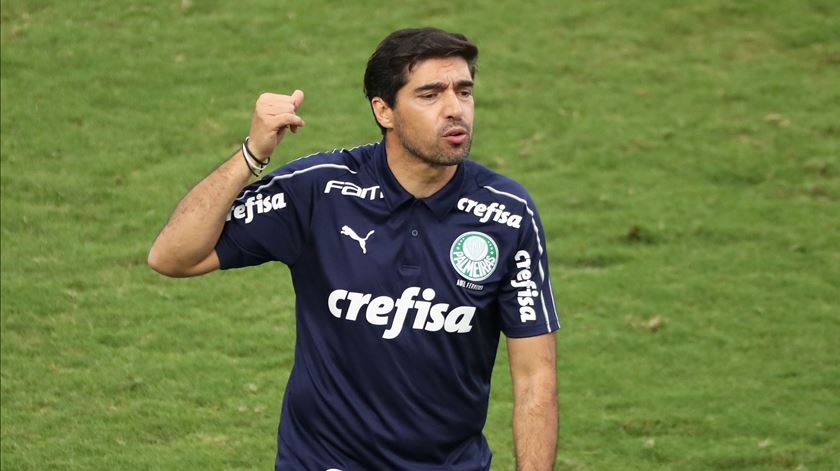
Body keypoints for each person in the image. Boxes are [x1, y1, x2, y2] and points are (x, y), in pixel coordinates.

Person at [149, 27, 560, 471]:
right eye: (430, 95)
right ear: (383, 110)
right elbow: (173, 256)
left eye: (463, 91)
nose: (454, 110)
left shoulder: (508, 214)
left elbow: (535, 379)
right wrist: (252, 154)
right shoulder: (319, 191)